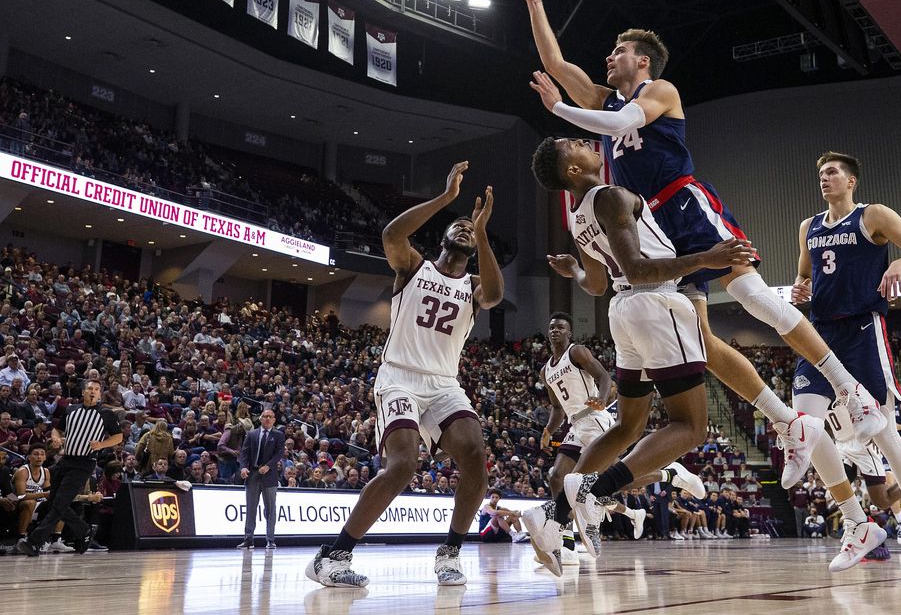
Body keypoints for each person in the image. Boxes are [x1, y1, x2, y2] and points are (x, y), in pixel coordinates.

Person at [514, 0, 888, 472]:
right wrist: (535, 2)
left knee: (756, 299)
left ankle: (852, 392)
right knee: (703, 342)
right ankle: (787, 423)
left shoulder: (659, 91)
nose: (609, 56)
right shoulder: (606, 100)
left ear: (641, 61)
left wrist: (558, 108)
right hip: (654, 229)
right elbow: (555, 61)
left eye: (618, 51)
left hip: (685, 207)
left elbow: (620, 124)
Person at [520, 137, 751, 574]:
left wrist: (574, 270)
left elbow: (597, 284)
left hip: (623, 311)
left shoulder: (577, 216)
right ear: (572, 169)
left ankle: (557, 516)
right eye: (574, 144)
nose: (587, 143)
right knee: (690, 426)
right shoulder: (609, 196)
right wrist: (707, 256)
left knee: (628, 425)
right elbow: (637, 269)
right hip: (655, 303)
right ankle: (593, 492)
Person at [306, 162, 502, 588]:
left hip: (445, 384)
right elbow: (392, 235)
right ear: (444, 236)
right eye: (459, 225)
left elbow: (498, 293)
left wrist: (483, 232)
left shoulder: (473, 285)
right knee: (403, 465)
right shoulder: (415, 268)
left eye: (471, 229)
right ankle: (332, 556)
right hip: (399, 377)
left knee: (474, 455)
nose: (465, 228)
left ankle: (450, 553)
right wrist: (446, 200)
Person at [792, 151, 901, 581]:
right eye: (820, 172)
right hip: (820, 333)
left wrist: (900, 261)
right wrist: (800, 290)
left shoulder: (873, 216)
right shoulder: (809, 226)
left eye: (832, 172)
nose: (824, 178)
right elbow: (805, 276)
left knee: (884, 432)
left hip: (862, 330)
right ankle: (857, 523)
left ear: (851, 181)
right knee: (803, 425)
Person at [539, 312, 704, 562]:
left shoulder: (577, 352)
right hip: (575, 425)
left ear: (569, 332)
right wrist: (549, 430)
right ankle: (566, 542)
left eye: (561, 327)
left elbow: (604, 377)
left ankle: (671, 474)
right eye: (552, 327)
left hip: (594, 418)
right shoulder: (546, 370)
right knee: (556, 477)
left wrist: (602, 399)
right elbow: (557, 407)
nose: (555, 331)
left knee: (617, 481)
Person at [17, 379, 123, 555]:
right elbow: (57, 430)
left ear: (99, 394)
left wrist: (102, 444)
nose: (92, 391)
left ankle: (34, 541)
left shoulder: (105, 413)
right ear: (83, 392)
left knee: (60, 503)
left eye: (97, 389)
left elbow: (118, 437)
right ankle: (84, 531)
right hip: (65, 460)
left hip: (84, 463)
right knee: (53, 502)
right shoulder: (71, 409)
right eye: (90, 388)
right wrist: (56, 438)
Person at [237, 408, 285, 550]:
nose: (268, 419)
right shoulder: (252, 434)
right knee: (251, 507)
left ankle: (270, 539)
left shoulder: (278, 435)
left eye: (270, 417)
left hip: (269, 476)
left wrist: (269, 466)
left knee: (270, 509)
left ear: (274, 420)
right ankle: (248, 539)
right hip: (252, 474)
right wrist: (243, 467)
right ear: (260, 419)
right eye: (265, 416)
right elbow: (244, 453)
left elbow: (279, 453)